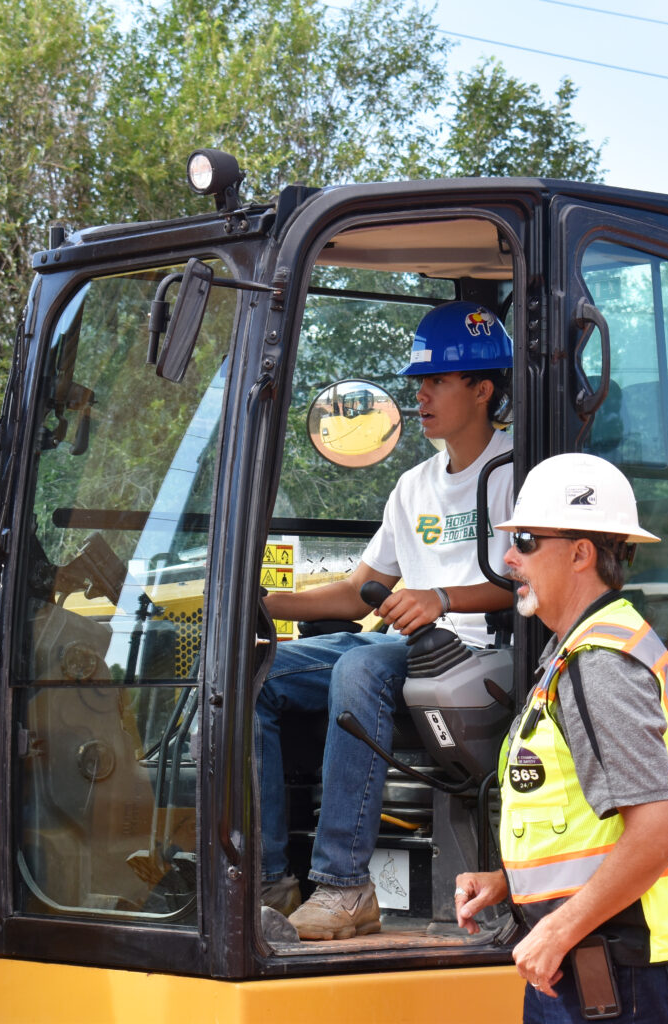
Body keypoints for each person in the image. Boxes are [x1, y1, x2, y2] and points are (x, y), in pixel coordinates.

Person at [258, 300, 517, 941]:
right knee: (259, 673)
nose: (420, 397)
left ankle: (346, 888)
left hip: (481, 653)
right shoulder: (414, 486)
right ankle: (269, 879)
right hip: (413, 649)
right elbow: (356, 592)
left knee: (361, 664)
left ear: (482, 389)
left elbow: (531, 582)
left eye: (435, 382)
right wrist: (260, 604)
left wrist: (442, 599)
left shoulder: (519, 471)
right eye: (418, 383)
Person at [454, 453, 668, 1024]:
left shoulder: (600, 661)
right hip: (593, 963)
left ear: (580, 553)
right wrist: (511, 883)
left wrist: (557, 927)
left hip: (624, 972)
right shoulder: (576, 652)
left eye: (526, 540)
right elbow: (588, 824)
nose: (509, 558)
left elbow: (656, 831)